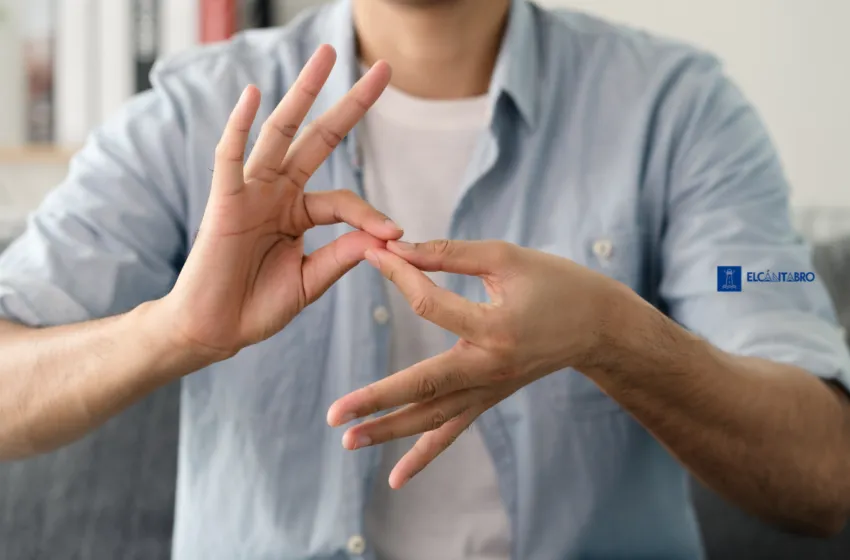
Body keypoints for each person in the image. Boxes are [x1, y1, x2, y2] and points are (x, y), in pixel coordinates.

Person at [1, 0, 849, 558]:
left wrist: (615, 336)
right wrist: (172, 329)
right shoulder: (194, 114)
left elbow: (825, 473)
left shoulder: (683, 112)